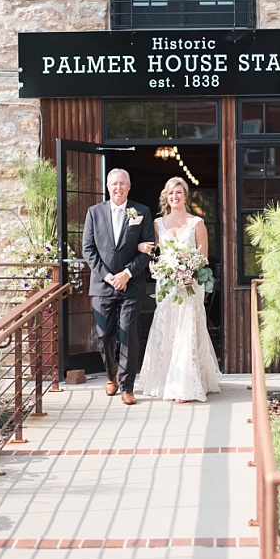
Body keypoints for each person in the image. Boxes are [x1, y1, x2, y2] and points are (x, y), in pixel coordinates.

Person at [138, 177, 222, 403]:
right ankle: (166, 380)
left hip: (189, 286)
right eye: (170, 193)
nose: (174, 197)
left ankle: (185, 385)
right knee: (167, 329)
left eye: (179, 192)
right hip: (167, 284)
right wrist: (157, 267)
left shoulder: (197, 223)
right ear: (165, 196)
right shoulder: (158, 224)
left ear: (186, 195)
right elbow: (155, 256)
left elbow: (203, 258)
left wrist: (189, 274)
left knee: (187, 329)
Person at [81, 168, 155, 407]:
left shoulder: (141, 212)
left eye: (123, 183)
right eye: (114, 184)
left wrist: (126, 274)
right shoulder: (94, 213)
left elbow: (147, 250)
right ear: (107, 186)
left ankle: (127, 386)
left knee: (127, 335)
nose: (118, 188)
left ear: (129, 186)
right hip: (102, 286)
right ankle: (110, 375)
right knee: (104, 335)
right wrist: (108, 276)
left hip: (131, 286)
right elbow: (88, 250)